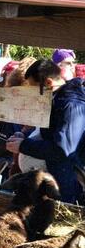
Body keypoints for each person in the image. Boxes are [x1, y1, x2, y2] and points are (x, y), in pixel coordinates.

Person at [7, 59, 85, 203]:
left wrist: (23, 145)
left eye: (34, 88)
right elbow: (46, 132)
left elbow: (63, 150)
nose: (33, 94)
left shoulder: (71, 106)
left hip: (67, 187)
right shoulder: (56, 99)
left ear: (48, 82)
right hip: (55, 180)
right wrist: (24, 135)